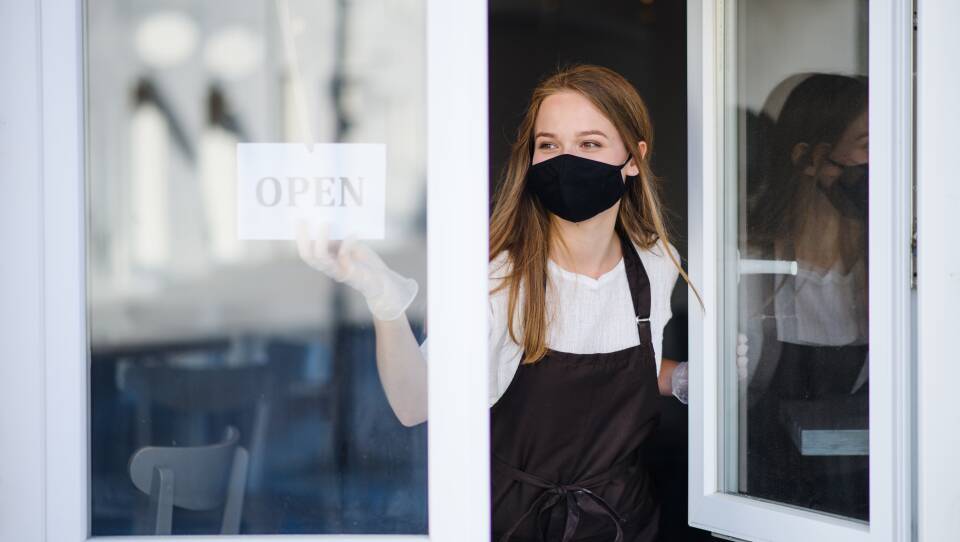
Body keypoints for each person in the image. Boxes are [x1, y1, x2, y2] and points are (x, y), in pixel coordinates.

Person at [296, 63, 702, 541]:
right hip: (518, 525)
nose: (565, 160)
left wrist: (681, 377)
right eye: (549, 145)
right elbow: (414, 403)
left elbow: (626, 357)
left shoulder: (655, 262)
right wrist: (384, 298)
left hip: (624, 521)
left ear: (634, 158)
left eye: (589, 143)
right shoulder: (501, 277)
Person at [742, 73, 869, 520]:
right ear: (809, 159)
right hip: (767, 502)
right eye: (868, 145)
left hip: (868, 503)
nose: (880, 163)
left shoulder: (891, 269)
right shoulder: (750, 264)